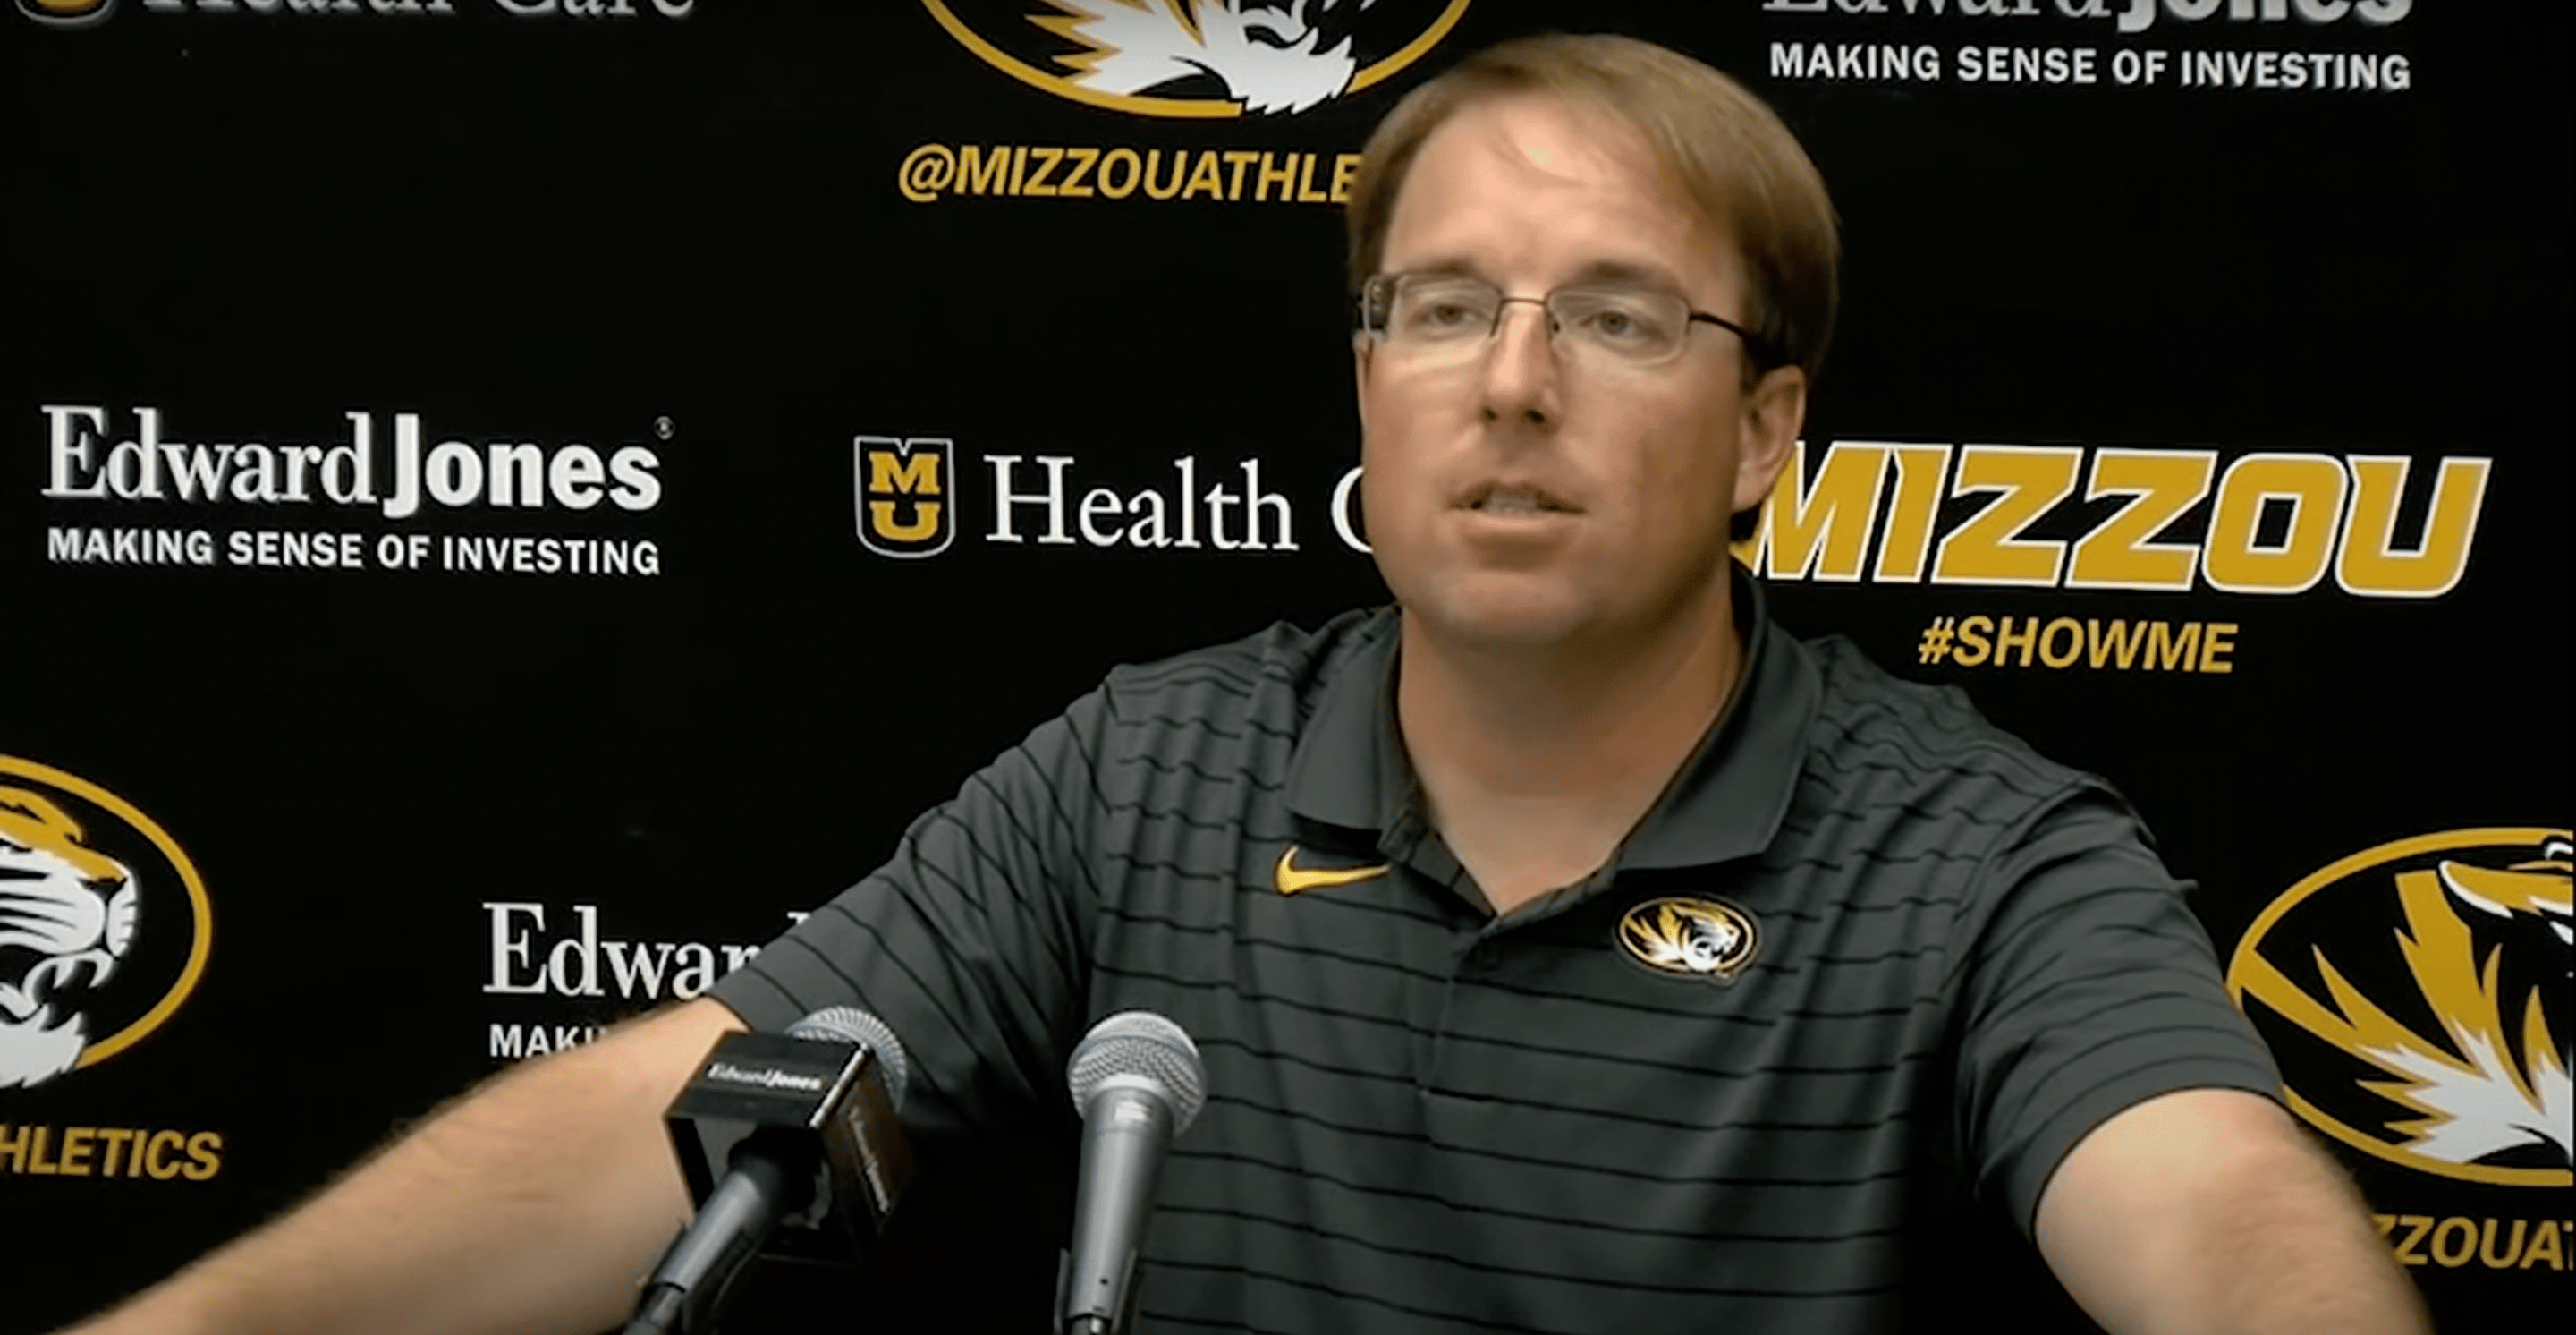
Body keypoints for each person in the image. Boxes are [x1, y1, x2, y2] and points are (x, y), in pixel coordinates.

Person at [64, 33, 2427, 1335]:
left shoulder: (1974, 848)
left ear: (1764, 428)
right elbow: (667, 1120)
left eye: (1617, 317)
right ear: (1368, 383)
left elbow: (2209, 1207)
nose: (1511, 381)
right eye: (1441, 307)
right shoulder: (1154, 764)